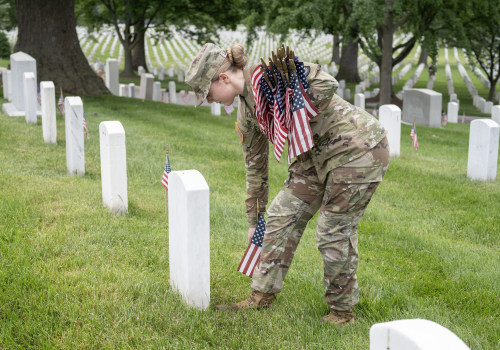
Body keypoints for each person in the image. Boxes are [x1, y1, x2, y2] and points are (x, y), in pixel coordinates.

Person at [186, 43, 390, 325]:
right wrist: (252, 221)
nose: (209, 100)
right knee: (280, 216)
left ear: (223, 79)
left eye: (208, 93)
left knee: (333, 231)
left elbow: (327, 84)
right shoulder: (246, 111)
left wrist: (292, 98)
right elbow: (255, 168)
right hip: (312, 157)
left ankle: (342, 312)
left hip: (357, 149)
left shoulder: (271, 78)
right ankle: (262, 295)